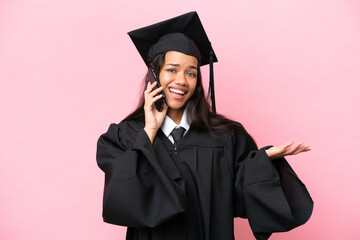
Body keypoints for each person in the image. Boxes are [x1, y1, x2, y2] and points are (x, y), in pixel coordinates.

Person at [96, 12, 313, 240]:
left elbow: (238, 196)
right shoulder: (125, 136)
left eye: (191, 73)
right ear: (154, 74)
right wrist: (149, 131)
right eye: (172, 70)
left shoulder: (226, 136)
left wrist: (261, 163)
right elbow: (122, 200)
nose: (181, 80)